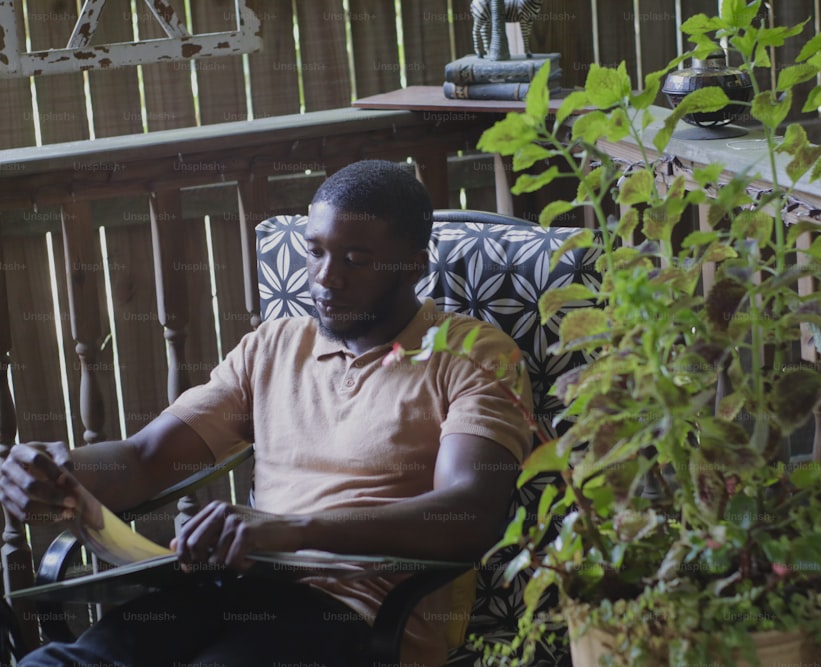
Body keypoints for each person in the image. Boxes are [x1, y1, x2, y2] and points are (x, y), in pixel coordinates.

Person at [0, 160, 533, 667]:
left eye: (356, 260)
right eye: (316, 252)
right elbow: (146, 458)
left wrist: (290, 529)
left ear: (414, 262)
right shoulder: (273, 347)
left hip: (360, 614)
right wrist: (59, 469)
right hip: (232, 587)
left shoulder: (474, 356)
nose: (326, 279)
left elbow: (469, 514)